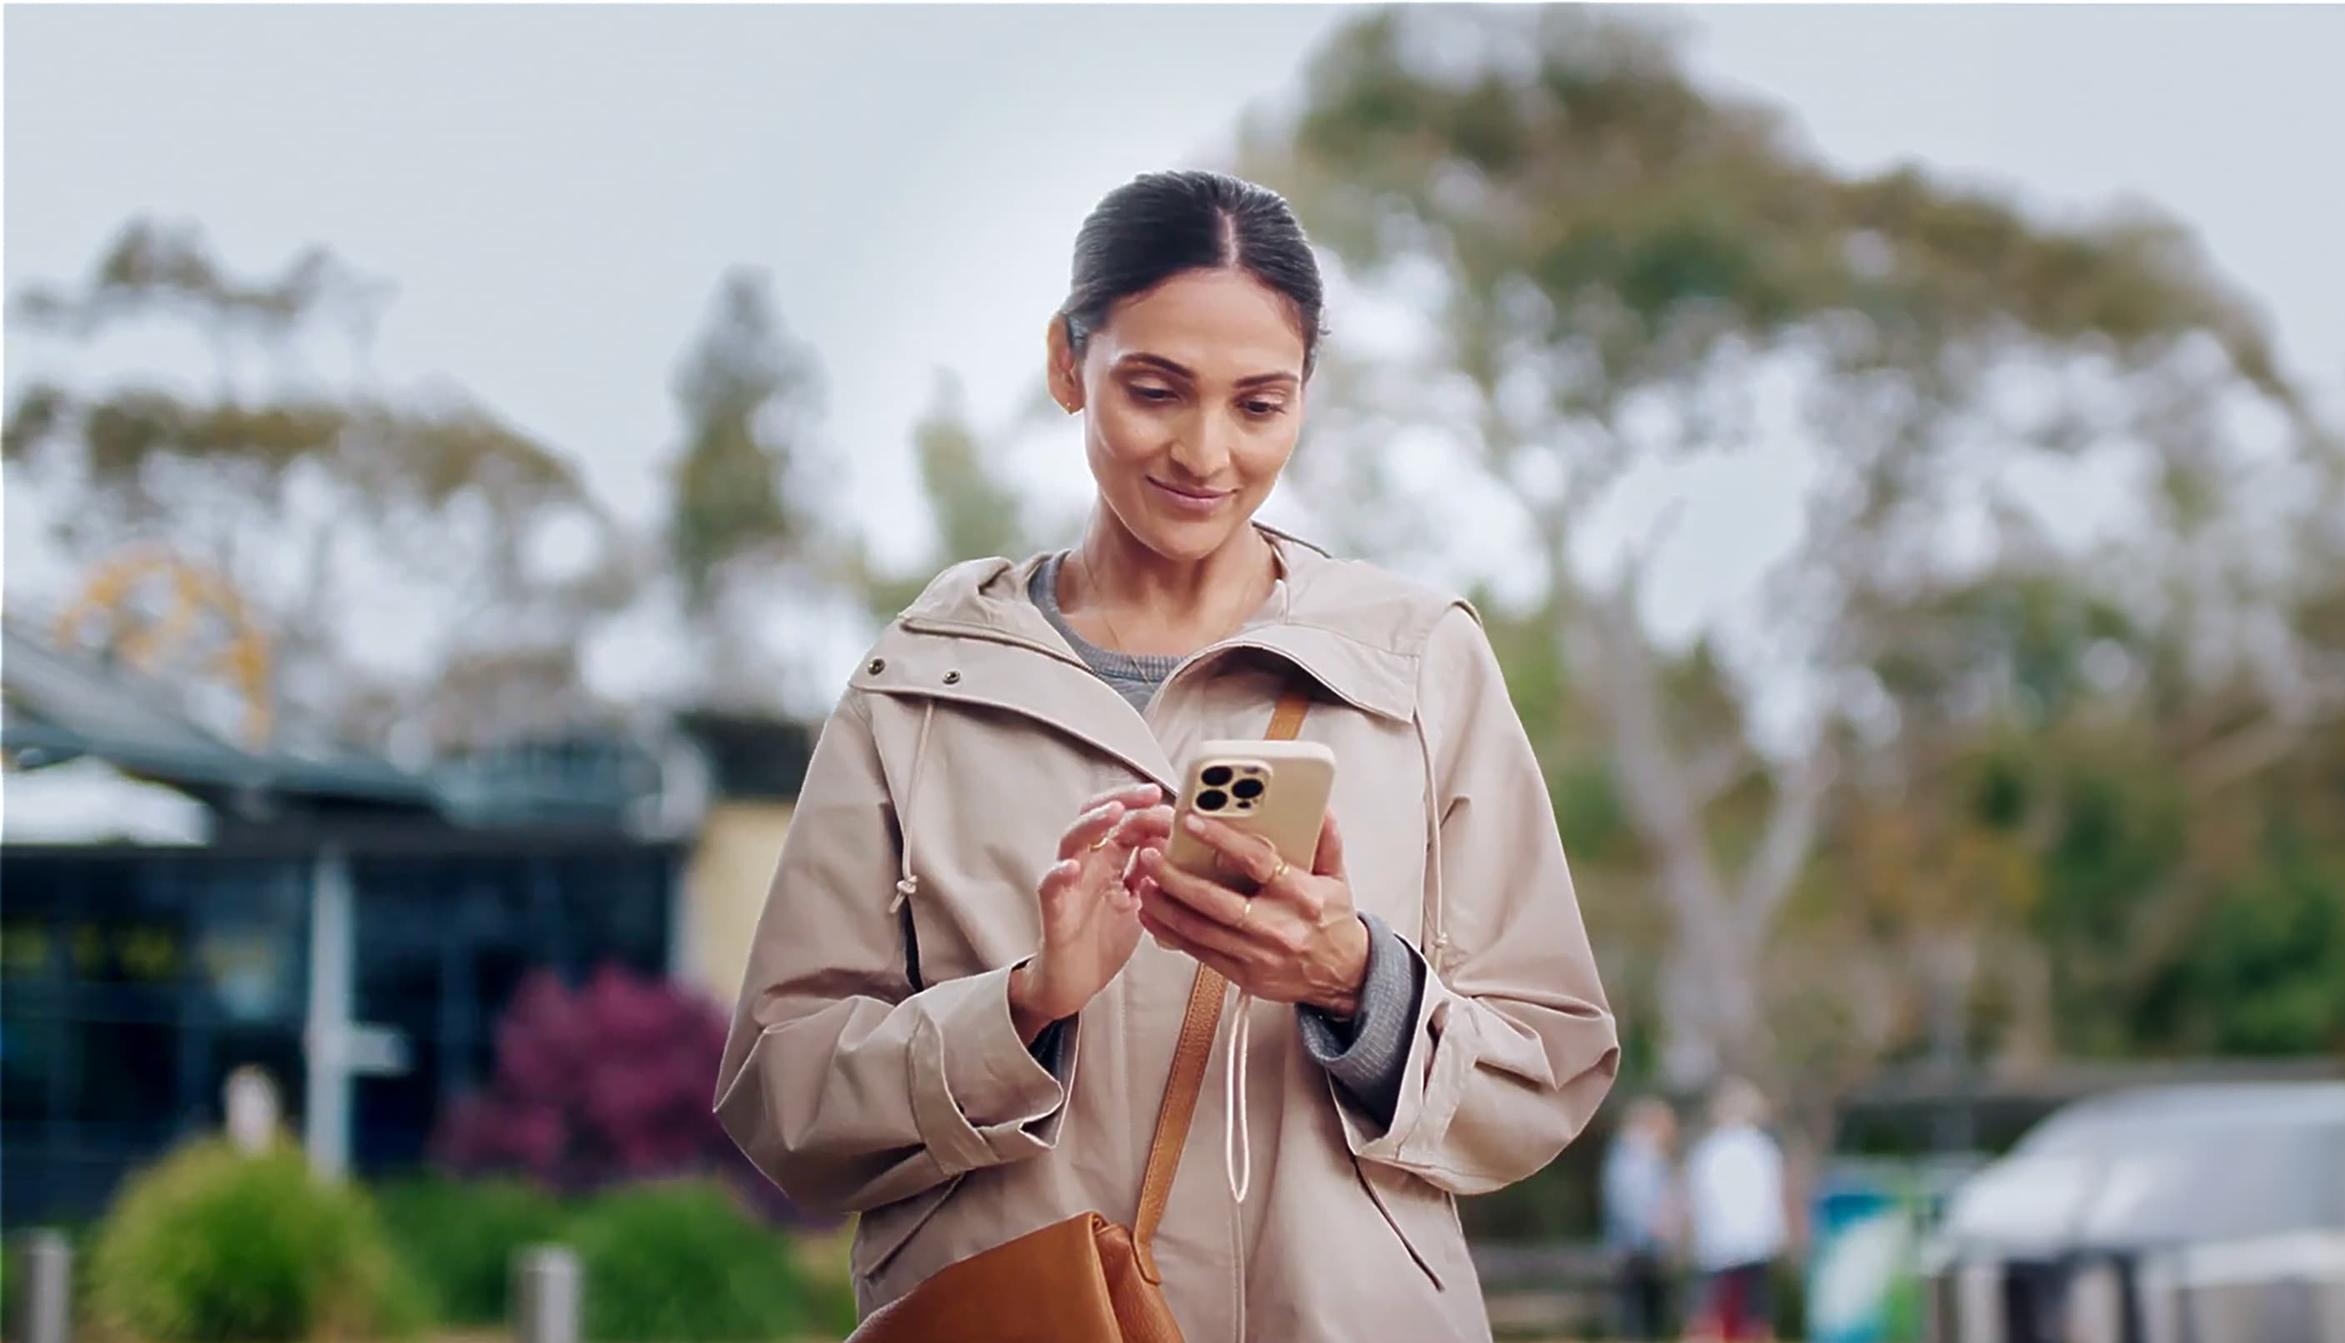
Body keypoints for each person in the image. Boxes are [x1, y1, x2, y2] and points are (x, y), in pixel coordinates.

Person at [714, 169, 1620, 1342]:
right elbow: (783, 1093)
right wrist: (1025, 1008)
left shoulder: (1419, 662)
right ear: (1065, 364)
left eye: (1260, 404)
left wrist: (1356, 983)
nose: (1206, 452)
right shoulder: (917, 684)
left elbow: (1550, 1056)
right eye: (1155, 390)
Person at [1683, 1078, 1787, 1342]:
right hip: (1755, 1239)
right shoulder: (1763, 1148)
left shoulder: (1708, 1150)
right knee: (1756, 1314)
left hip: (1717, 1242)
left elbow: (1698, 1196)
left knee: (1710, 1312)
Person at [1602, 1097, 1681, 1340]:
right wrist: (1653, 1227)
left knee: (1648, 1312)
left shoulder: (1641, 1156)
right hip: (1637, 1246)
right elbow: (1628, 1202)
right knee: (1638, 1313)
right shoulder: (1633, 1157)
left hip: (1644, 1246)